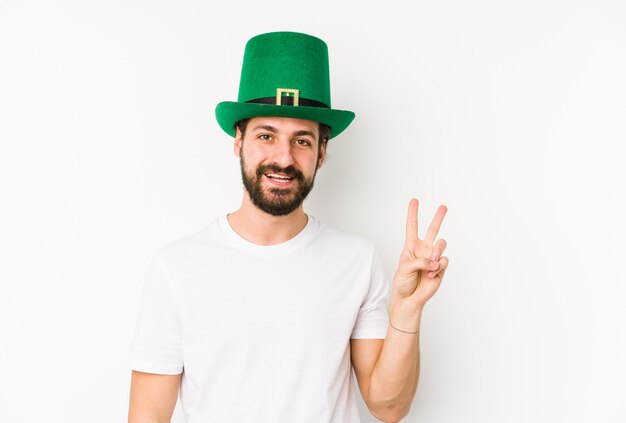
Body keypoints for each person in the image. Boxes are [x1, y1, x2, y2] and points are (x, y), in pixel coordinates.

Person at [128, 31, 449, 423]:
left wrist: (408, 308)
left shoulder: (356, 260)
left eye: (301, 140)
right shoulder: (176, 267)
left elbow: (389, 406)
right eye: (266, 136)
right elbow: (147, 417)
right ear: (238, 141)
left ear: (322, 153)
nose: (283, 158)